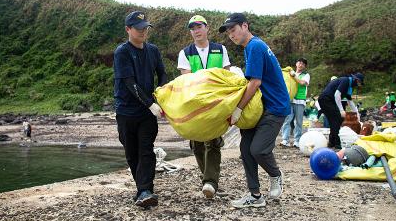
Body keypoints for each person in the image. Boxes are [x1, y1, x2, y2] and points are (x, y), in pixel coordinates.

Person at [220, 13, 290, 208]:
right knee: (245, 149)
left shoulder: (254, 46)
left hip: (275, 106)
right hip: (260, 107)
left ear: (245, 25)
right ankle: (255, 195)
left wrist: (238, 109)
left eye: (233, 29)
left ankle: (275, 175)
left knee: (258, 149)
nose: (231, 35)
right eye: (228, 32)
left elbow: (255, 82)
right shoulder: (251, 47)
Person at [113, 11, 168, 208]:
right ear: (128, 29)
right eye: (139, 28)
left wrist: (160, 93)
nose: (143, 31)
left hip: (147, 113)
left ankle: (146, 190)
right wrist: (150, 103)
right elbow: (129, 82)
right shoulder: (122, 52)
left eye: (145, 27)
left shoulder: (153, 50)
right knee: (131, 153)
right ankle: (142, 190)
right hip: (126, 111)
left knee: (146, 149)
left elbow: (162, 73)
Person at [177, 15, 231, 199]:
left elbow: (226, 75)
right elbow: (186, 79)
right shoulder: (185, 53)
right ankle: (208, 179)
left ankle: (210, 182)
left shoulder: (220, 49)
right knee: (198, 145)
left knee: (213, 142)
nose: (196, 31)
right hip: (195, 105)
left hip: (216, 104)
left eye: (199, 26)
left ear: (207, 28)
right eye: (192, 28)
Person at [317, 73, 364, 149]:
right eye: (359, 83)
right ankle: (337, 143)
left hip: (329, 101)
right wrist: (341, 110)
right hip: (325, 99)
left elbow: (350, 101)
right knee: (336, 119)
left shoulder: (349, 86)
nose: (358, 85)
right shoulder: (346, 81)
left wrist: (357, 114)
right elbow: (337, 95)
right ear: (356, 80)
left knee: (335, 120)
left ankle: (332, 142)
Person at [280, 58, 310, 147]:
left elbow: (301, 83)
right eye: (299, 63)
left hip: (300, 101)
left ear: (305, 66)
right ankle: (285, 140)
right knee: (287, 120)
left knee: (299, 122)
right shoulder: (289, 74)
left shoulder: (306, 75)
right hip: (290, 100)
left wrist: (293, 75)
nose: (301, 65)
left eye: (303, 64)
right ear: (296, 64)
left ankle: (297, 141)